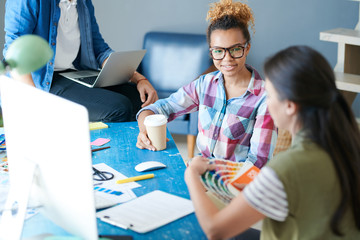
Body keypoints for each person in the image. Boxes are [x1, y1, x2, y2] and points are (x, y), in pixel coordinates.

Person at [185, 45, 360, 240]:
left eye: (269, 94)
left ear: (290, 106)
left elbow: (215, 230)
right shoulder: (347, 144)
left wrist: (192, 173)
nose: (266, 102)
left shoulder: (286, 168)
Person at [136, 0, 277, 168]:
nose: (227, 59)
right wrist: (145, 128)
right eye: (219, 51)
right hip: (200, 172)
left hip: (235, 186)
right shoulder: (204, 84)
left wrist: (208, 180)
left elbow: (257, 164)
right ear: (211, 52)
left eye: (235, 49)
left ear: (247, 48)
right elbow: (162, 108)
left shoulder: (265, 99)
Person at [3, 0, 158, 122]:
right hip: (43, 83)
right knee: (119, 108)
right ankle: (107, 159)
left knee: (138, 98)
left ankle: (136, 153)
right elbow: (13, 54)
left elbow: (100, 49)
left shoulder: (83, 3)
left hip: (73, 74)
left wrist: (139, 79)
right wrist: (38, 102)